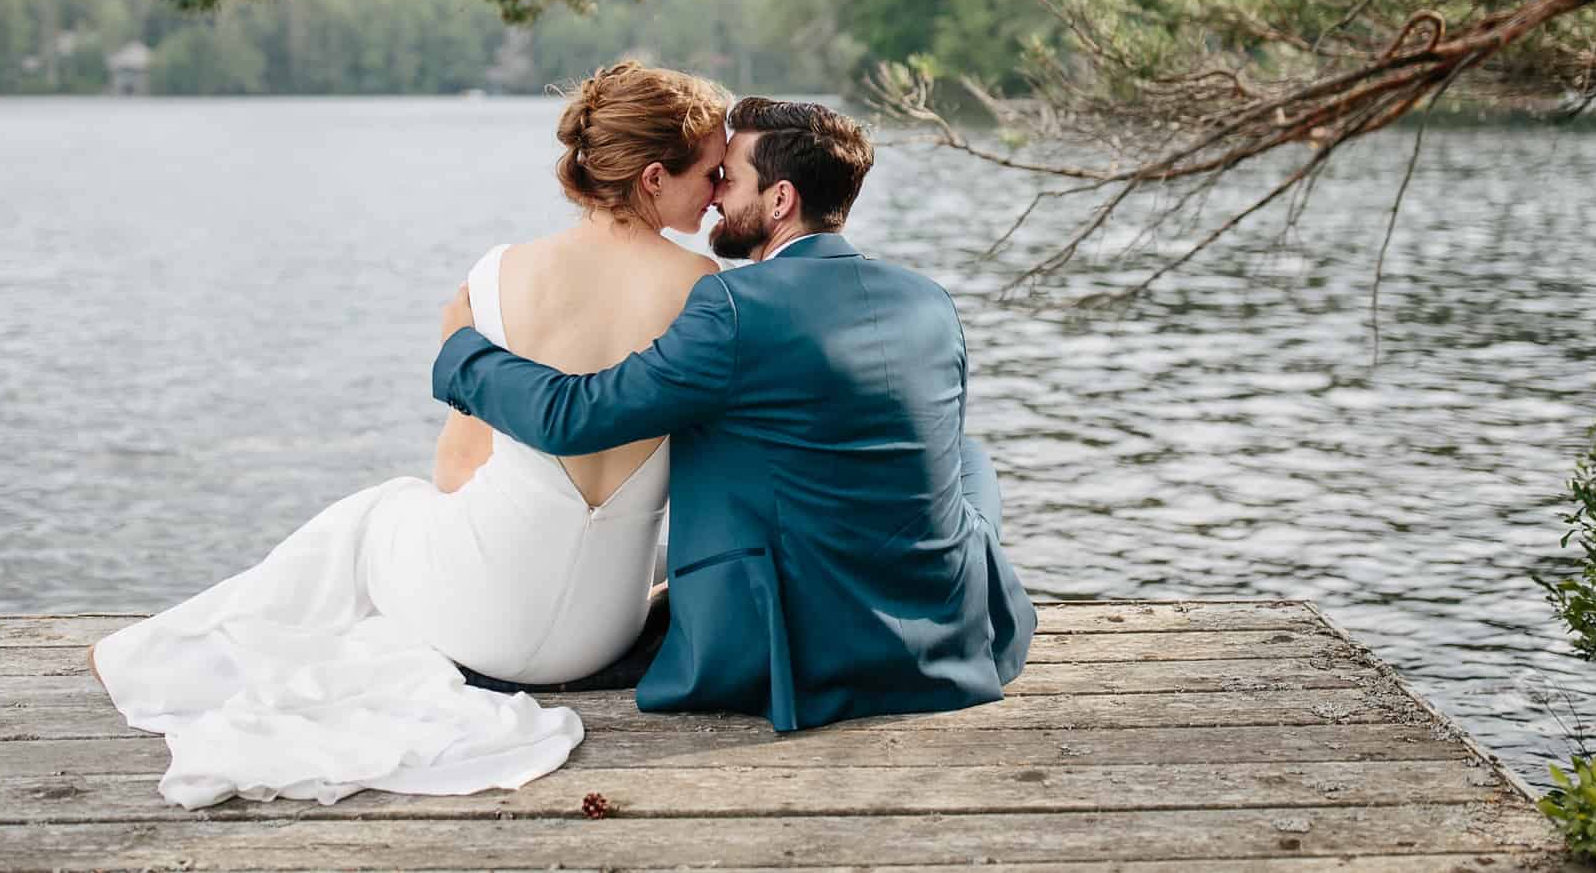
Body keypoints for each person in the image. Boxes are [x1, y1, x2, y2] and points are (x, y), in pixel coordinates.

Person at [88, 61, 729, 808]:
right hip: (604, 632)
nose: (718, 192)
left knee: (377, 513)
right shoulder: (705, 290)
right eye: (712, 173)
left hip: (488, 624)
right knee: (400, 525)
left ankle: (160, 653)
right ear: (654, 178)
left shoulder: (500, 275)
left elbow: (457, 469)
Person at [434, 97, 1036, 732]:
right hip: (954, 635)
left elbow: (574, 417)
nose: (715, 192)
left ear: (779, 201)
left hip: (800, 657)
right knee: (965, 456)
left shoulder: (733, 305)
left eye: (730, 177)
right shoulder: (929, 300)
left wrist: (462, 353)